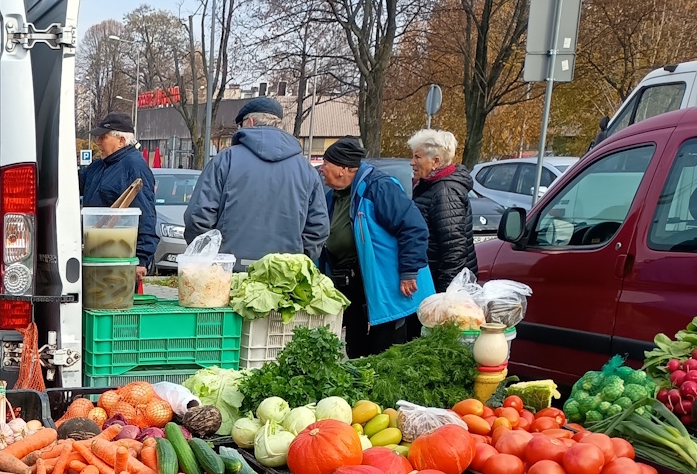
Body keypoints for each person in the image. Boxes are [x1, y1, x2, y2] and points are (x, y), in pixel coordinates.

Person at [319, 136, 433, 357]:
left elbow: (413, 227)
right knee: (356, 350)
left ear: (343, 168)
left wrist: (409, 271)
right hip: (355, 285)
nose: (321, 169)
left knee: (386, 352)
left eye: (326, 164)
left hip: (389, 285)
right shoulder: (334, 196)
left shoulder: (378, 188)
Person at [183, 97, 328, 265]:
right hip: (284, 273)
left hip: (228, 271)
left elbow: (198, 216)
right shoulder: (306, 169)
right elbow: (318, 228)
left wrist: (209, 259)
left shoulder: (225, 160)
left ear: (250, 122)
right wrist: (297, 260)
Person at [80, 112, 157, 274]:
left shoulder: (134, 167)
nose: (97, 142)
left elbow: (145, 214)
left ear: (121, 141)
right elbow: (73, 186)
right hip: (97, 251)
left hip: (119, 254)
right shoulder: (98, 166)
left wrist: (141, 259)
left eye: (103, 137)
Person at [408, 129, 477, 293]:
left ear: (436, 161)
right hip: (434, 280)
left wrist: (445, 295)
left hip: (444, 287)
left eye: (417, 157)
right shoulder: (430, 186)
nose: (412, 162)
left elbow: (454, 249)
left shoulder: (445, 192)